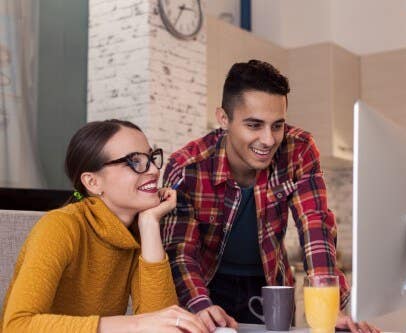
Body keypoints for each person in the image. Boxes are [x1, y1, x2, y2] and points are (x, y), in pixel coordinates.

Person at [162, 60, 380, 333]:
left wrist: (330, 309)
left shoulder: (298, 149)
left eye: (277, 125)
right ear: (223, 119)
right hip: (205, 286)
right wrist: (198, 304)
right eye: (254, 125)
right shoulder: (187, 167)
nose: (268, 140)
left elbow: (315, 226)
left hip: (272, 287)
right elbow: (179, 252)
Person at [1, 119, 208, 333]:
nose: (155, 170)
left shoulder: (136, 233)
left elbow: (163, 323)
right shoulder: (60, 226)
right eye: (135, 161)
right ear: (92, 182)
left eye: (152, 157)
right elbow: (17, 326)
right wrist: (135, 324)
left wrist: (149, 223)